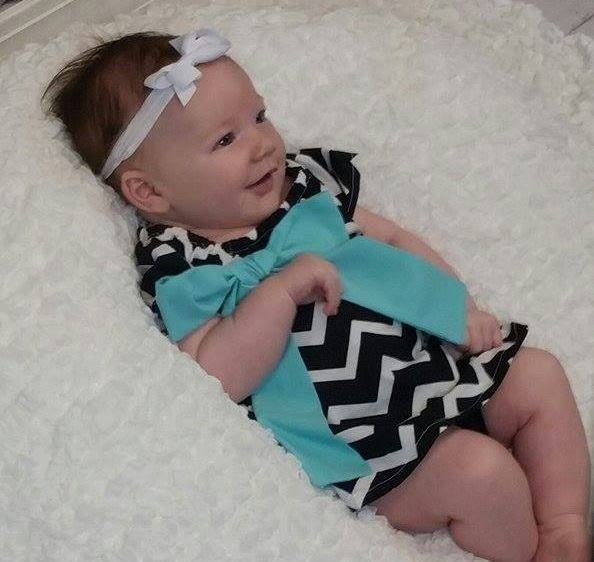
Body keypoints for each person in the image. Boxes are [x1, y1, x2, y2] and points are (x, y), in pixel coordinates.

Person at [42, 29, 591, 562]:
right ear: (149, 191)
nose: (262, 144)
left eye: (259, 116)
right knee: (481, 474)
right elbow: (215, 373)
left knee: (538, 375)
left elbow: (394, 240)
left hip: (437, 368)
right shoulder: (182, 265)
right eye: (226, 140)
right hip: (368, 442)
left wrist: (458, 309)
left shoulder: (304, 189)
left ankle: (564, 525)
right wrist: (279, 293)